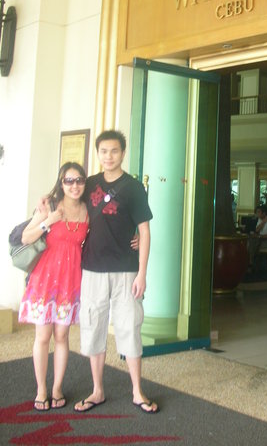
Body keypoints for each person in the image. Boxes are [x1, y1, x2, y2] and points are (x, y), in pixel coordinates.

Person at [74, 129, 158, 414]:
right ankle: (97, 390)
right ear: (97, 154)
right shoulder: (89, 184)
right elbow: (67, 201)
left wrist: (142, 273)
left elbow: (144, 231)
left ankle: (137, 391)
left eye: (114, 151)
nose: (108, 156)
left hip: (126, 270)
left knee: (130, 327)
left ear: (122, 153)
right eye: (103, 151)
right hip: (92, 268)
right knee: (93, 326)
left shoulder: (133, 188)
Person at [18, 162, 89, 412]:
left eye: (79, 180)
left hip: (70, 281)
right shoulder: (49, 206)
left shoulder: (87, 210)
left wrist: (133, 238)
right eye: (69, 181)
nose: (74, 185)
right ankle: (41, 389)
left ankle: (57, 387)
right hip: (45, 279)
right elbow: (26, 237)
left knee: (62, 336)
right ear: (61, 183)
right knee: (43, 336)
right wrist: (48, 221)